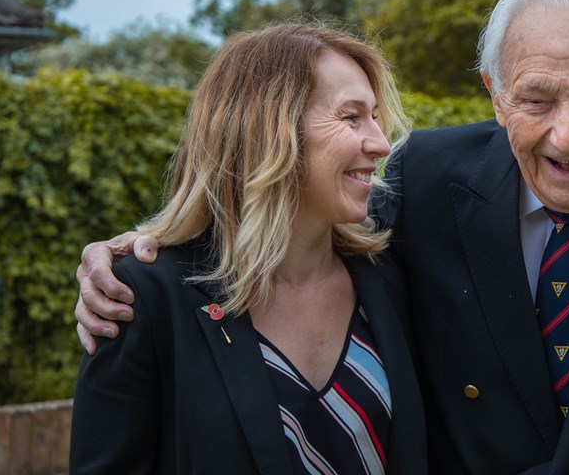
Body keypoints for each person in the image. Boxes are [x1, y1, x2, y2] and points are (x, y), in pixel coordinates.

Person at [75, 0, 569, 473]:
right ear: (492, 93)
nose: (568, 135)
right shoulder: (426, 182)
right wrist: (137, 248)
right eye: (538, 99)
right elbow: (288, 214)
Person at [69, 23, 427, 474]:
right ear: (267, 130)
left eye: (375, 116)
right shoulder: (142, 297)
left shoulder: (390, 277)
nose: (379, 142)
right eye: (351, 117)